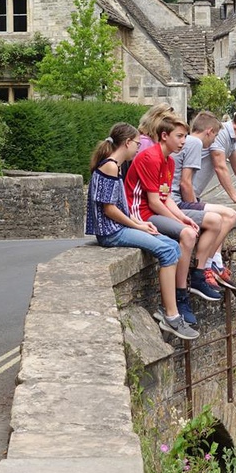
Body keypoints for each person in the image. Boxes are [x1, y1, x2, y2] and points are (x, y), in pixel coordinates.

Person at [87, 123, 197, 340]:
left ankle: (171, 311)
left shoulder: (115, 166)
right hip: (112, 232)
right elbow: (108, 209)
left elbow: (118, 205)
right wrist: (137, 225)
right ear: (127, 143)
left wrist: (138, 221)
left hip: (118, 227)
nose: (138, 148)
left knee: (172, 246)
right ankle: (172, 316)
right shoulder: (110, 166)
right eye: (136, 144)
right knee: (167, 250)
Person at [126, 115, 221, 329]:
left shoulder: (168, 161)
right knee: (187, 234)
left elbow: (166, 197)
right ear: (164, 135)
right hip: (141, 214)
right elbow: (153, 202)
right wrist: (181, 224)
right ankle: (180, 296)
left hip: (154, 210)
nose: (183, 141)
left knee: (188, 230)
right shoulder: (151, 158)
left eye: (185, 136)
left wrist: (183, 217)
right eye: (179, 136)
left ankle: (183, 293)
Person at [174, 110, 236, 290]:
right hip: (179, 201)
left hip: (177, 200)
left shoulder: (188, 141)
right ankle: (205, 267)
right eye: (215, 136)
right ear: (209, 131)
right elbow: (185, 184)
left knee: (227, 215)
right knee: (228, 215)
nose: (214, 141)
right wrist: (196, 207)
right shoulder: (195, 143)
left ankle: (213, 263)